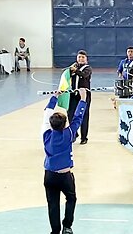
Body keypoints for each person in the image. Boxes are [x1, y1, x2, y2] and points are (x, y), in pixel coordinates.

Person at [41, 88, 87, 234]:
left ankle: (55, 231)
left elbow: (47, 112)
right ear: (65, 124)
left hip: (49, 175)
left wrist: (54, 97)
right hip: (65, 176)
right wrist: (83, 99)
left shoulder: (46, 134)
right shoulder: (69, 134)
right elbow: (78, 118)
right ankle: (67, 226)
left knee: (52, 204)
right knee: (71, 198)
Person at [68, 50, 92, 145]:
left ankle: (84, 137)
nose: (81, 59)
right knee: (70, 114)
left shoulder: (88, 68)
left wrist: (76, 71)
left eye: (83, 57)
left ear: (86, 59)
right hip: (74, 94)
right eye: (79, 57)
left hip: (84, 95)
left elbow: (84, 75)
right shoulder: (73, 68)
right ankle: (74, 134)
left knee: (84, 115)